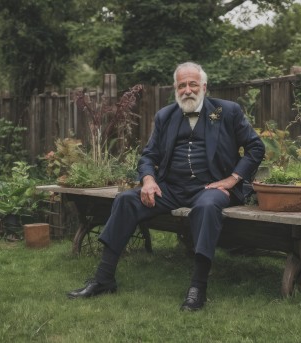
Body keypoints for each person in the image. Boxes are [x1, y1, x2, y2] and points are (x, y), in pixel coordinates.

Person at [67, 62, 265, 311]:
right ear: (176, 89)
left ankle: (197, 288)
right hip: (171, 188)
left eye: (193, 84)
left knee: (206, 208)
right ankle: (103, 278)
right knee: (127, 200)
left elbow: (256, 147)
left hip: (212, 189)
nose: (187, 90)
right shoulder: (165, 115)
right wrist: (148, 180)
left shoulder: (228, 111)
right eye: (182, 85)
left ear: (204, 86)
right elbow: (149, 156)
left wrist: (233, 178)